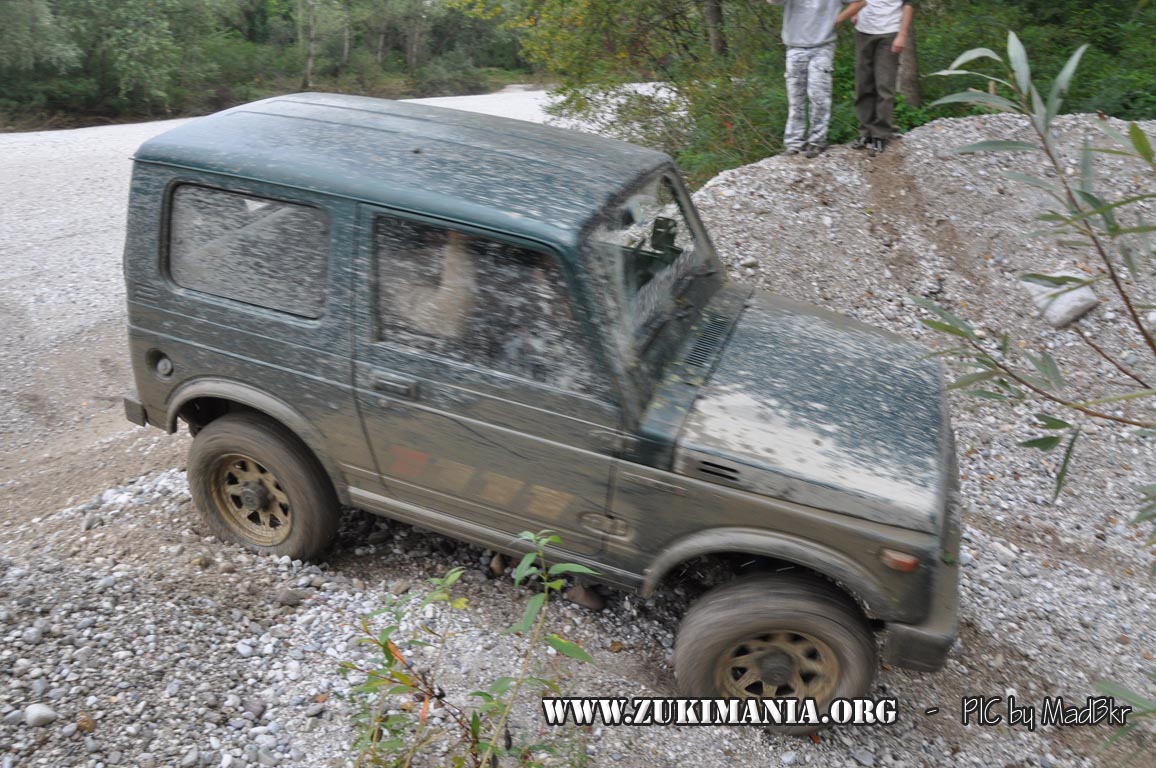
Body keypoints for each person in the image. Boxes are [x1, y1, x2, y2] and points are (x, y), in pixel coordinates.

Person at [768, 0, 857, 159]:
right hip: (794, 46)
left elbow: (860, 2)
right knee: (796, 99)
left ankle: (817, 142)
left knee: (819, 96)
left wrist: (840, 17)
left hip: (823, 46)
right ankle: (794, 143)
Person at [839, 0, 917, 156]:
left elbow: (908, 5)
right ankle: (865, 132)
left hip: (889, 31)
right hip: (863, 31)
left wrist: (902, 34)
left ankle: (880, 134)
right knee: (863, 84)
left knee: (884, 85)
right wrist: (854, 12)